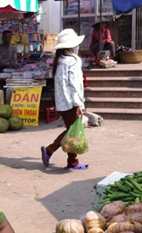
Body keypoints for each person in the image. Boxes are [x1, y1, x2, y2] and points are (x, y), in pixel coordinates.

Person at [41, 29, 88, 171]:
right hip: (71, 102)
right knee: (72, 132)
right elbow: (75, 83)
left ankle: (71, 160)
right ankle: (51, 150)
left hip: (62, 102)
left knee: (71, 131)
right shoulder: (72, 61)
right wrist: (79, 103)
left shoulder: (59, 61)